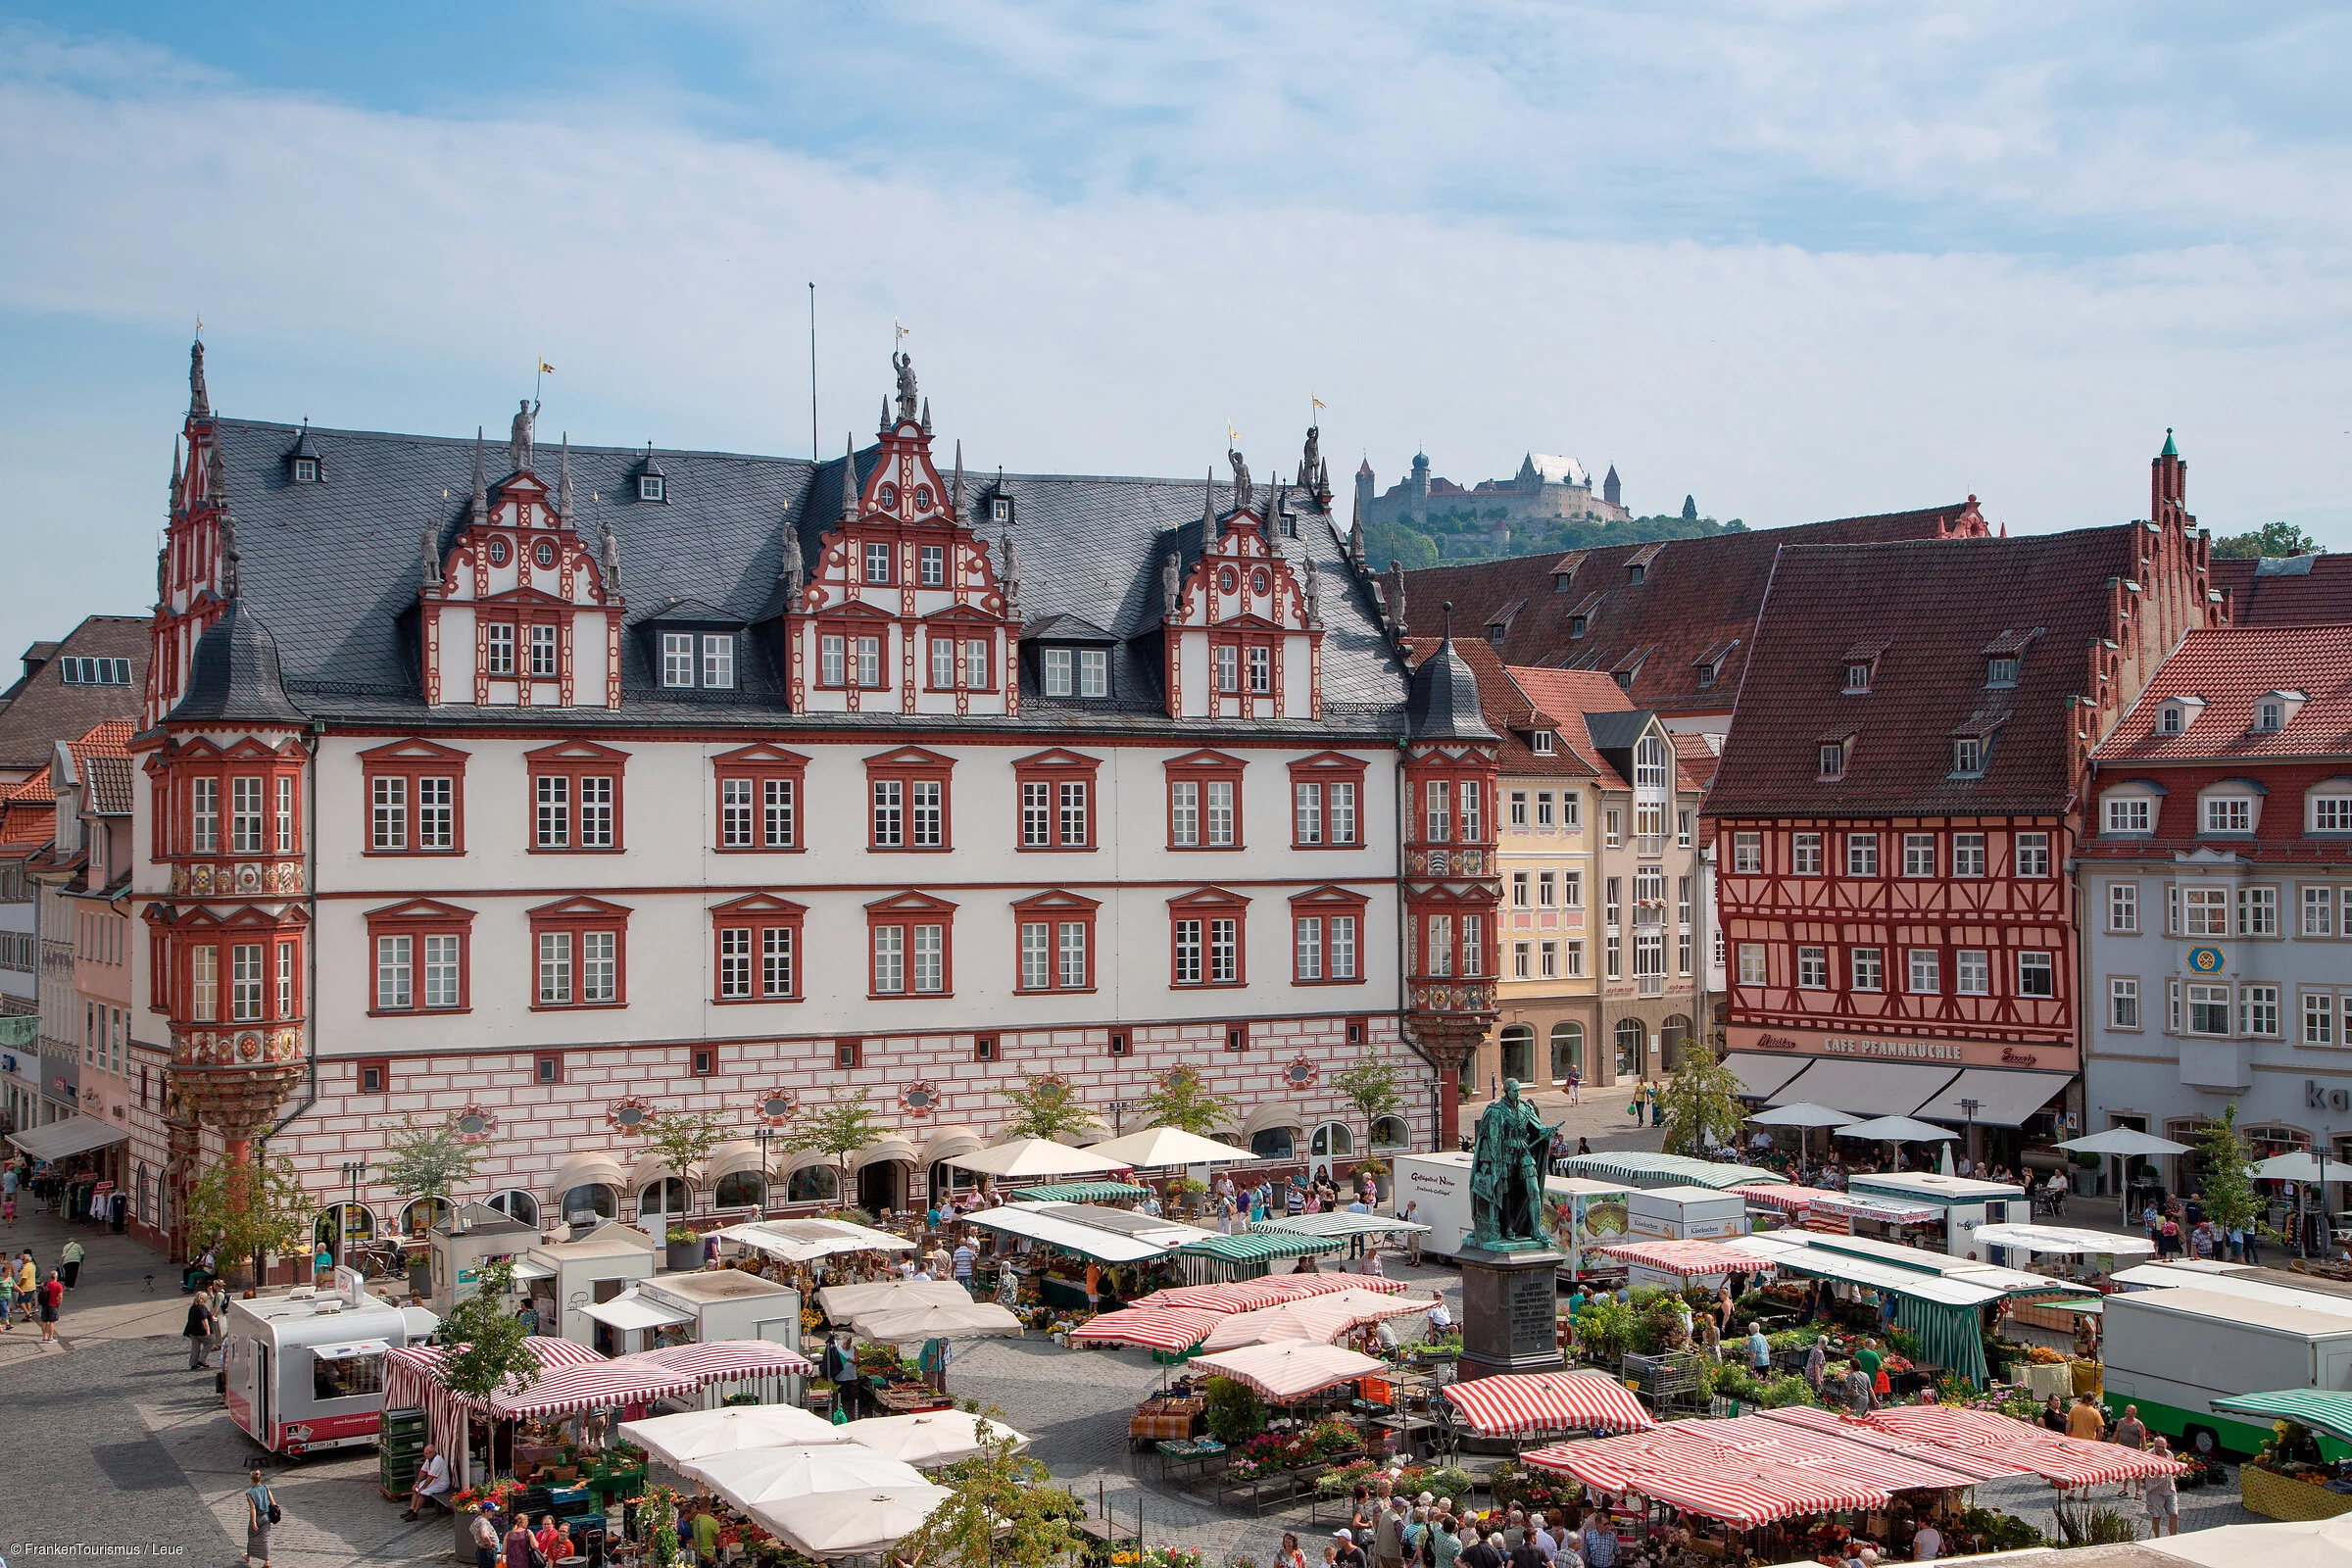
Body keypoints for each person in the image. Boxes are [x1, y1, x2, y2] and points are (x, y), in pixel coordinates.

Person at [402, 1444, 452, 1520]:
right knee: (416, 1489)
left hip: (441, 1483)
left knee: (422, 1492)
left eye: (426, 1453)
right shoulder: (429, 1459)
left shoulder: (437, 1460)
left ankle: (415, 1513)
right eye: (424, 1453)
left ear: (432, 1452)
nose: (425, 1455)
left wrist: (423, 1487)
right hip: (434, 1481)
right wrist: (417, 1483)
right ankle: (411, 1509)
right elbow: (422, 1471)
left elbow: (430, 1477)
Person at [2142, 1438, 2180, 1538]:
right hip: (2155, 1490)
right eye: (2158, 1447)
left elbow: (2173, 1468)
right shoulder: (2149, 1455)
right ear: (2154, 1445)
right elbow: (2143, 1471)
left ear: (2166, 1446)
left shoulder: (2169, 1454)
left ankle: (2173, 1536)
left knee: (2174, 1513)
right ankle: (2157, 1537)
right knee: (2156, 1516)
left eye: (2162, 1447)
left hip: (2169, 1488)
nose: (2160, 1449)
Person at [2113, 1403, 2148, 1496]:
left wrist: (2143, 1452)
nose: (2126, 1412)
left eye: (2129, 1411)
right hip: (2123, 1451)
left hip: (2134, 1451)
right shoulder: (2121, 1421)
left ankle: (2138, 1491)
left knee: (2137, 1472)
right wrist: (2112, 1446)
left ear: (2134, 1413)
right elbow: (2116, 1434)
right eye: (2126, 1410)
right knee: (2125, 1470)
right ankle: (2125, 1489)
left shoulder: (2139, 1424)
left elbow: (2143, 1438)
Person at [245, 1465, 276, 1568]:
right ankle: (267, 1562)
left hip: (258, 1517)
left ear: (251, 1480)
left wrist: (253, 1521)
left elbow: (253, 1508)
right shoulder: (266, 1488)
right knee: (265, 1538)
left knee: (252, 1535)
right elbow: (273, 1502)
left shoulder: (250, 1493)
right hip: (267, 1516)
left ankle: (248, 1556)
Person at [186, 1287, 217, 1367]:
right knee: (210, 1342)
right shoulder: (201, 1308)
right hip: (201, 1330)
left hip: (193, 1330)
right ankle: (201, 1360)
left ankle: (193, 1363)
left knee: (195, 1347)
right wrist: (208, 1330)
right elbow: (204, 1319)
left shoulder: (193, 1307)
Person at [39, 1267, 62, 1342]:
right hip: (53, 1305)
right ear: (56, 1277)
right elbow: (60, 1296)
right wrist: (59, 1304)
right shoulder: (58, 1285)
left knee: (44, 1321)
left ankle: (44, 1337)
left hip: (45, 1304)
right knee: (51, 1321)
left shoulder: (45, 1284)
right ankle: (50, 1337)